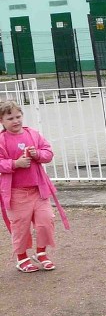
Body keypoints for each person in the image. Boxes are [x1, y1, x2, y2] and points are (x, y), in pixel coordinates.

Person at [0, 100, 69, 273]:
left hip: (39, 189)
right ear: (1, 120)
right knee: (20, 227)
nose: (16, 121)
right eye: (10, 118)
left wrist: (37, 154)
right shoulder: (1, 140)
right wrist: (15, 163)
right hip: (16, 192)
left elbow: (48, 153)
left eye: (18, 116)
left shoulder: (33, 134)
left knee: (46, 221)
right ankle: (21, 257)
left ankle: (41, 253)